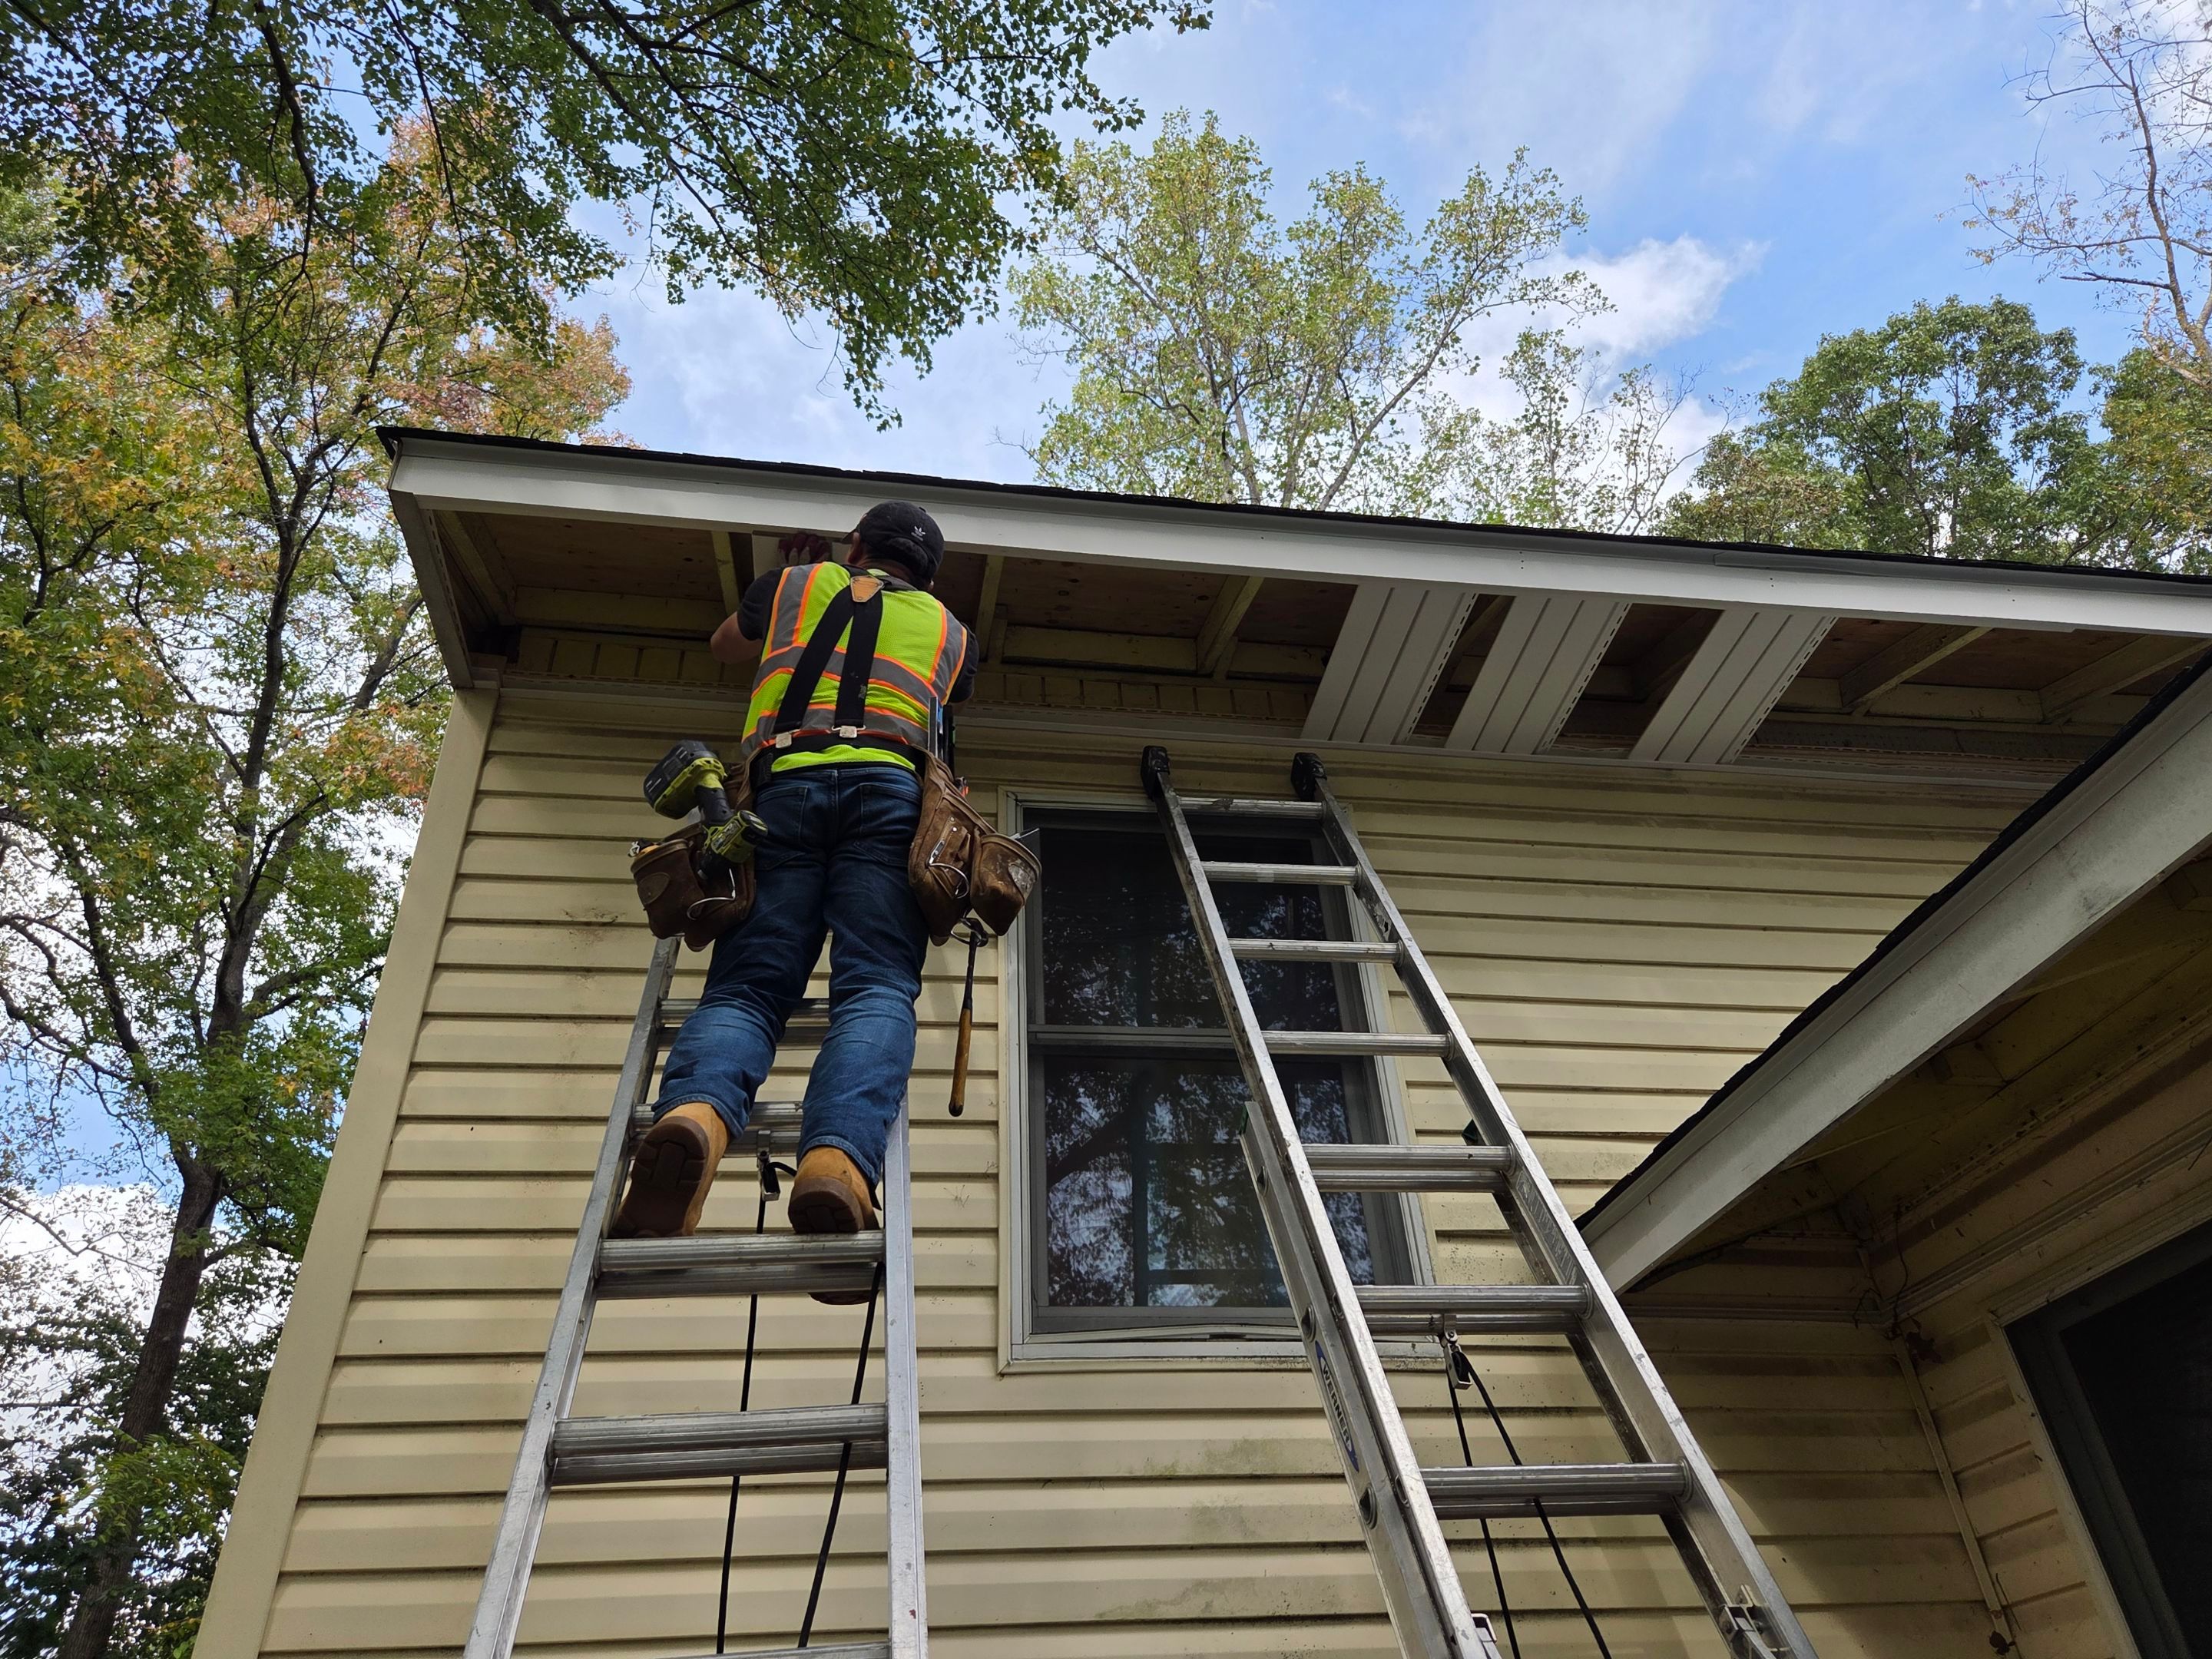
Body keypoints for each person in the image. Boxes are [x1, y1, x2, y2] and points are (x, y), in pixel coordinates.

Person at [612, 502, 975, 1287]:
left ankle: (696, 1116)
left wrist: (784, 578)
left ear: (856, 545)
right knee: (876, 986)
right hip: (891, 793)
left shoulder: (792, 586)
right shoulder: (952, 631)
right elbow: (945, 701)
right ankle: (838, 1165)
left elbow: (725, 647)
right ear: (929, 576)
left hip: (782, 788)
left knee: (748, 988)